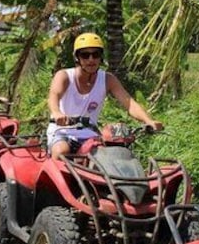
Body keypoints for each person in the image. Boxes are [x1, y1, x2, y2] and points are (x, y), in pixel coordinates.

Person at [46, 32, 163, 160]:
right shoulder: (64, 76)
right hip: (61, 132)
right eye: (85, 55)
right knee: (61, 151)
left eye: (95, 55)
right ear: (77, 58)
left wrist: (148, 121)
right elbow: (54, 96)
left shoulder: (108, 79)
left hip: (89, 135)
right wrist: (57, 113)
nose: (91, 59)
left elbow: (129, 103)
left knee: (109, 158)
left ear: (100, 57)